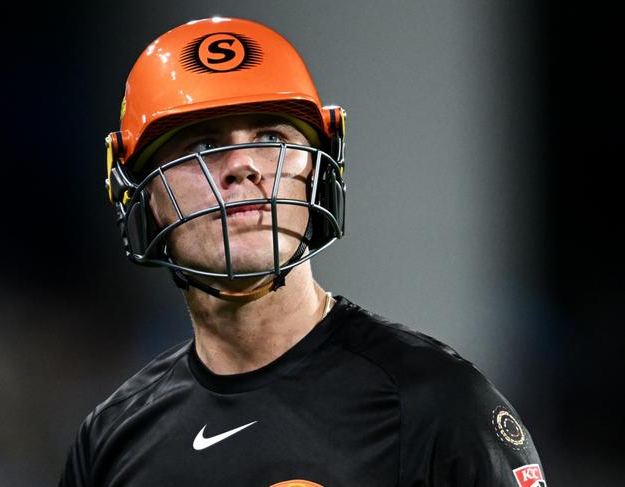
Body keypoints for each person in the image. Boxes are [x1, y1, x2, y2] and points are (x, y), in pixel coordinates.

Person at [60, 17, 547, 487]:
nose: (244, 167)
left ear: (318, 169)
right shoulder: (111, 440)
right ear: (144, 196)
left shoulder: (436, 405)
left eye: (271, 138)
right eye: (203, 146)